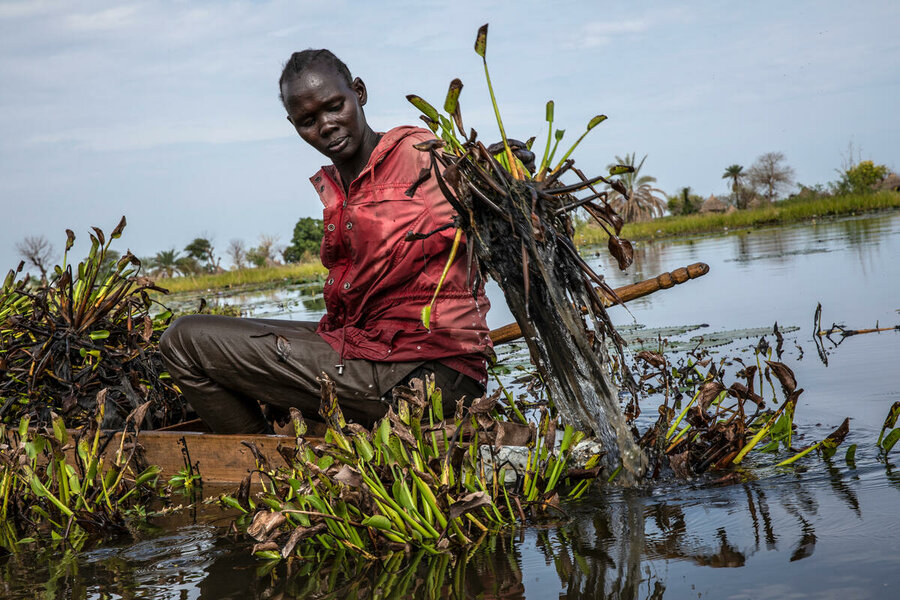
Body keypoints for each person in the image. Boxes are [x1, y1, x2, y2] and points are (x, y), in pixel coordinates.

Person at [159, 49, 492, 434]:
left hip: (427, 375)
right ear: (293, 124)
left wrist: (499, 172)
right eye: (308, 121)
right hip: (373, 349)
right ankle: (272, 444)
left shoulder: (420, 157)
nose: (327, 125)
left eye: (335, 107)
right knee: (196, 334)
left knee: (182, 342)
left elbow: (483, 191)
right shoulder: (337, 184)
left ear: (359, 93)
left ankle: (262, 465)